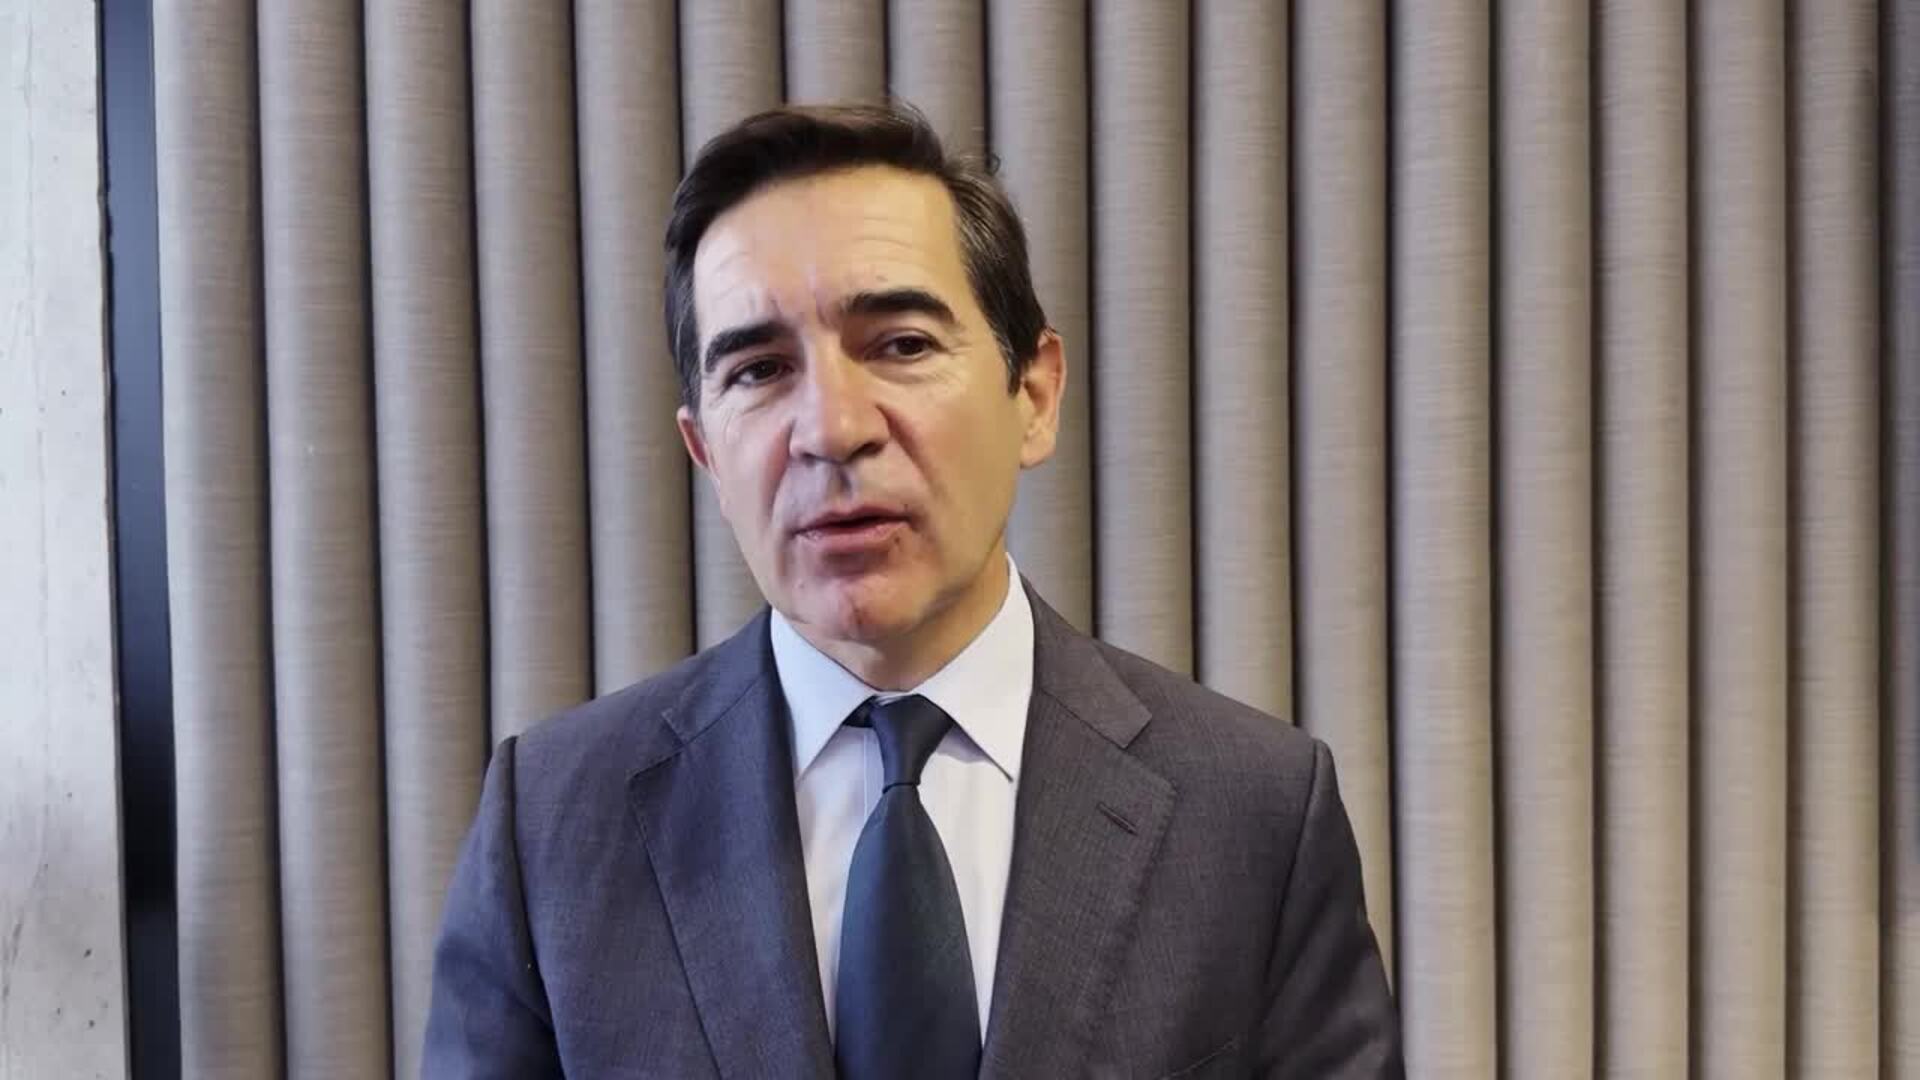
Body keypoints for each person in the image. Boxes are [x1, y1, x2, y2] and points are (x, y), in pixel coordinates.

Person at [424, 102, 1402, 1079]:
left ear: (1035, 395)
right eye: (760, 370)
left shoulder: (1255, 812)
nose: (832, 429)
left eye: (901, 345)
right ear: (706, 451)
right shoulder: (550, 826)